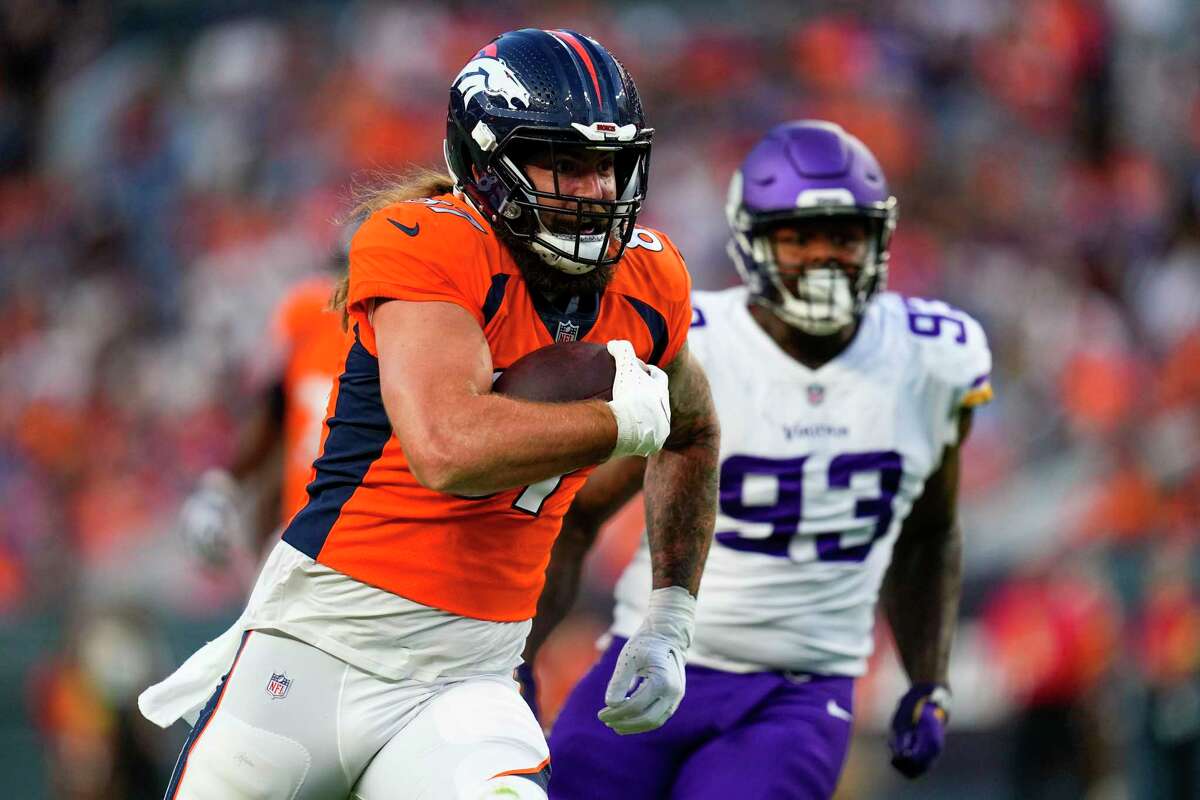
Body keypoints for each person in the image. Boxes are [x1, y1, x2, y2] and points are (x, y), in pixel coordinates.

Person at [138, 28, 719, 800]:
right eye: (565, 163)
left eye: (608, 166)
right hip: (319, 648)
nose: (593, 192)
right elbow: (446, 446)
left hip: (468, 678)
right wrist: (617, 425)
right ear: (485, 165)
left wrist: (670, 617)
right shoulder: (425, 241)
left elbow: (694, 431)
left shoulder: (649, 278)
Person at [524, 120, 994, 799]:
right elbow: (577, 514)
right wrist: (516, 657)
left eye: (845, 234)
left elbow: (927, 534)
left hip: (795, 695)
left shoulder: (932, 358)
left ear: (879, 238)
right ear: (753, 240)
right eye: (799, 236)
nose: (824, 255)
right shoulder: (699, 343)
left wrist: (930, 679)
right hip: (655, 659)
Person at [176, 261, 351, 575]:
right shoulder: (311, 313)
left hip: (353, 545)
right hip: (311, 537)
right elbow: (276, 415)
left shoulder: (316, 309)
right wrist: (223, 488)